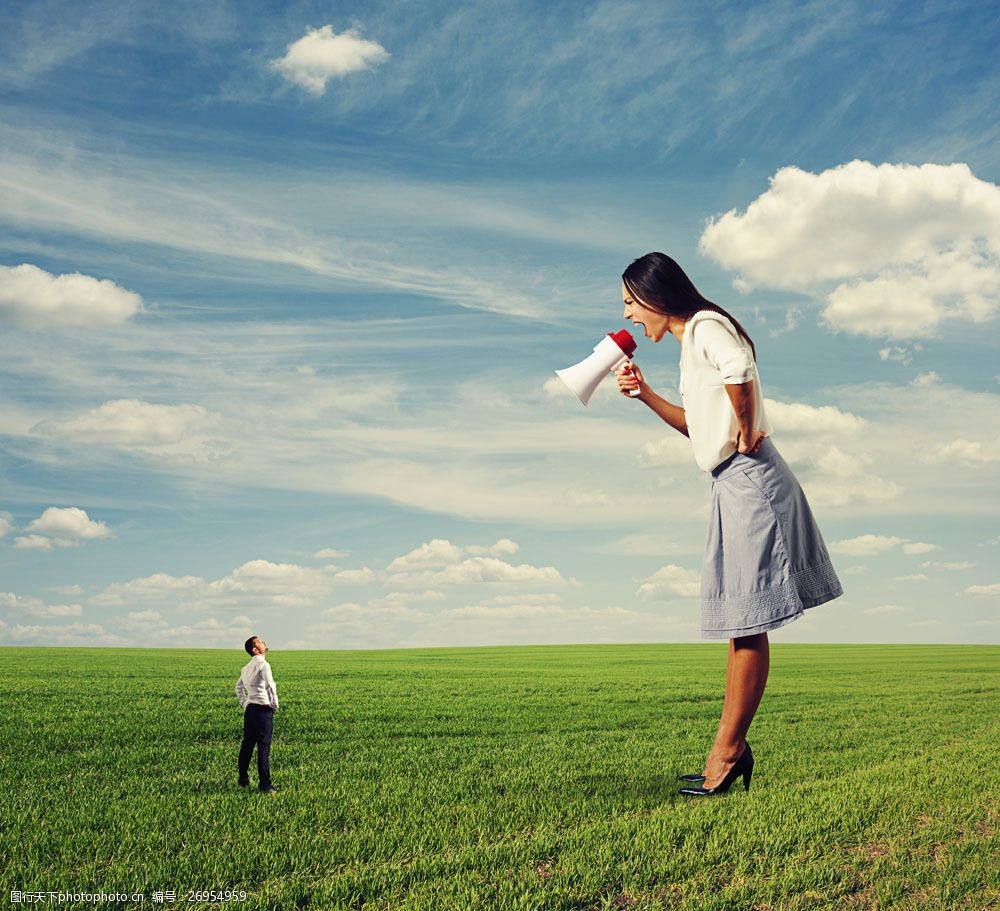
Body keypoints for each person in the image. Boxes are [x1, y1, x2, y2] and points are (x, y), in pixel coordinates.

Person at [615, 252, 843, 797]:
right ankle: (728, 750)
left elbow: (738, 370)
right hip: (730, 480)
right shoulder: (690, 344)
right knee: (742, 621)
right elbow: (698, 427)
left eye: (629, 303)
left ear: (654, 296)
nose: (627, 315)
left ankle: (728, 751)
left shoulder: (705, 327)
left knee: (746, 621)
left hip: (748, 477)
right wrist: (646, 395)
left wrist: (745, 430)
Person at [236, 635, 279, 794]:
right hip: (263, 710)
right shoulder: (264, 665)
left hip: (251, 710)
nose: (263, 642)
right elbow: (270, 685)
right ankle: (265, 785)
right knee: (263, 747)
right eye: (260, 641)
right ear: (255, 649)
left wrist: (245, 703)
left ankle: (243, 779)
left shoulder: (245, 668)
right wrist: (274, 704)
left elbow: (238, 688)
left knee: (247, 744)